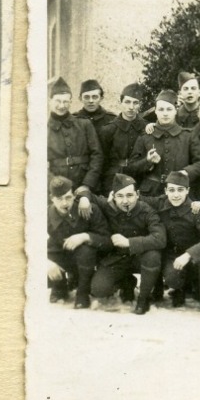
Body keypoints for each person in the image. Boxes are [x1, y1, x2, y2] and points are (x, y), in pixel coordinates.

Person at [91, 175, 166, 314]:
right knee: (98, 289)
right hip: (117, 259)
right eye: (120, 196)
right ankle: (127, 282)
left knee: (153, 255)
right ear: (113, 196)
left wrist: (129, 242)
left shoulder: (147, 211)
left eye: (130, 195)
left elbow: (160, 238)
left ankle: (144, 298)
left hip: (140, 258)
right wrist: (83, 198)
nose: (125, 201)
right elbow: (84, 194)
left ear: (137, 194)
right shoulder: (108, 206)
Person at [151, 170, 200, 312]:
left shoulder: (196, 209)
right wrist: (113, 195)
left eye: (180, 190)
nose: (176, 195)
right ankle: (180, 288)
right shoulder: (159, 203)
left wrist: (188, 255)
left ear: (187, 191)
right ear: (166, 191)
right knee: (172, 278)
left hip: (197, 258)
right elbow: (135, 198)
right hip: (173, 256)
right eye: (171, 190)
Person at [47, 177, 106, 309]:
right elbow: (30, 242)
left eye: (68, 197)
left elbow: (106, 240)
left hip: (87, 261)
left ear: (74, 195)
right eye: (59, 198)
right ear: (51, 198)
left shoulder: (90, 210)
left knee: (86, 251)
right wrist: (45, 263)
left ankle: (82, 292)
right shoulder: (45, 214)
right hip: (60, 256)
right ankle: (59, 287)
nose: (64, 203)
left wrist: (85, 236)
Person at [124, 89, 192, 197]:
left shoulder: (187, 136)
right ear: (155, 111)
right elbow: (130, 169)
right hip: (151, 194)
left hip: (178, 194)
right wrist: (147, 161)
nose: (165, 113)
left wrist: (185, 172)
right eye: (161, 109)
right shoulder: (145, 136)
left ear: (176, 110)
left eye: (169, 109)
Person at [101, 82, 145, 181]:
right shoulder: (109, 129)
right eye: (127, 102)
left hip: (140, 176)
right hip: (114, 176)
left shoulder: (146, 127)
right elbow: (103, 161)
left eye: (135, 103)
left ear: (140, 105)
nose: (131, 107)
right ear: (120, 103)